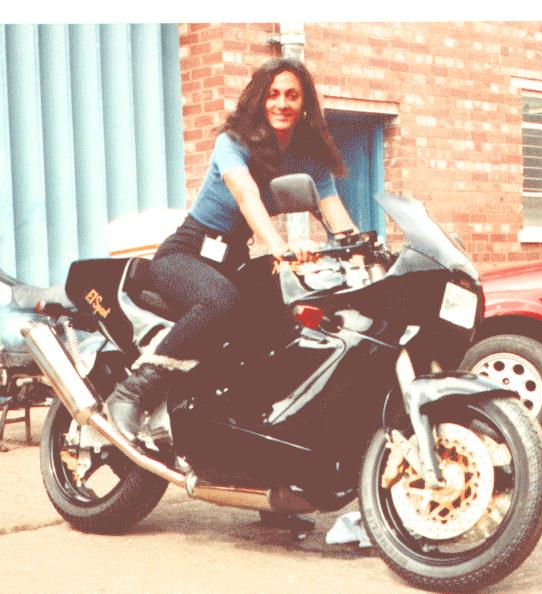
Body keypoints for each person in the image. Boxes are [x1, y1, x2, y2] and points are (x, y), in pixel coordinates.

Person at [106, 57, 357, 445]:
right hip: (186, 252)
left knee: (282, 307)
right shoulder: (234, 142)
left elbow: (336, 214)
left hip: (233, 260)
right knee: (220, 301)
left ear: (305, 103)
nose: (282, 103)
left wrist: (365, 256)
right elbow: (246, 196)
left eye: (292, 95)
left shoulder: (309, 156)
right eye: (272, 94)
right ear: (259, 100)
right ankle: (131, 392)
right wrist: (281, 248)